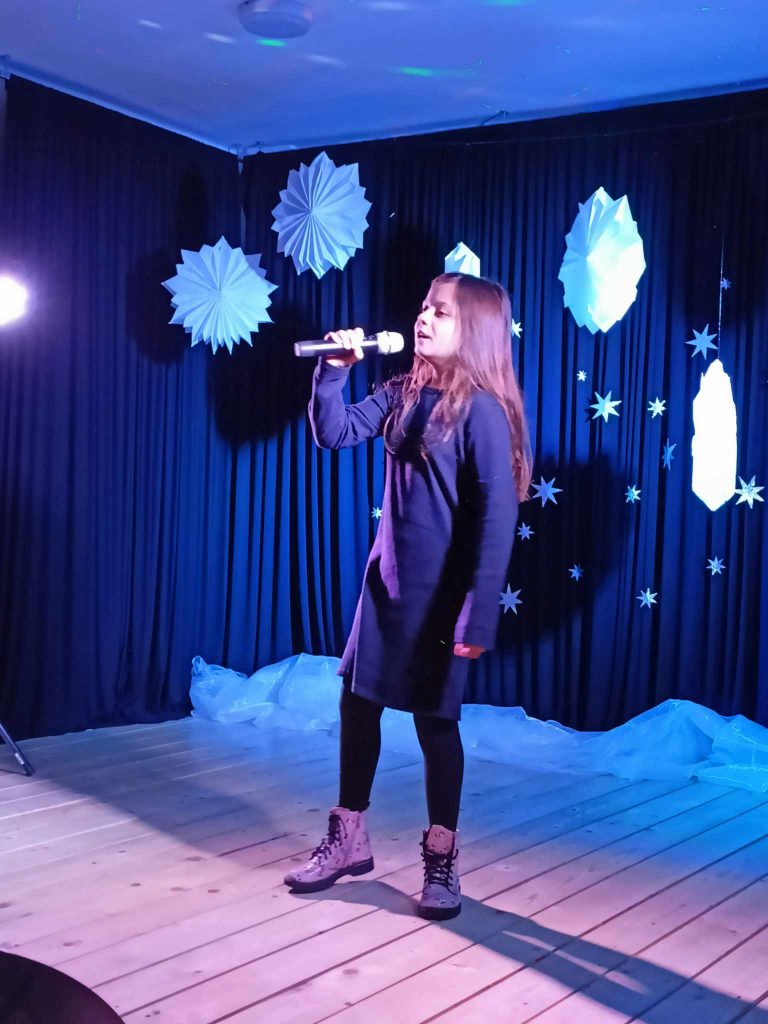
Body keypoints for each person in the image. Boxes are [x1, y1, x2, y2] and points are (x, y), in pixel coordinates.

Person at [284, 272, 533, 919]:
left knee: (435, 725)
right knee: (357, 705)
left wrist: (478, 612)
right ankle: (349, 838)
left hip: (441, 598)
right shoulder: (402, 390)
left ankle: (442, 858)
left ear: (474, 330)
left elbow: (496, 519)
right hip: (386, 585)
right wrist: (333, 372)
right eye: (424, 306)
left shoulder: (482, 411)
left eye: (441, 312)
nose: (423, 318)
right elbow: (334, 432)